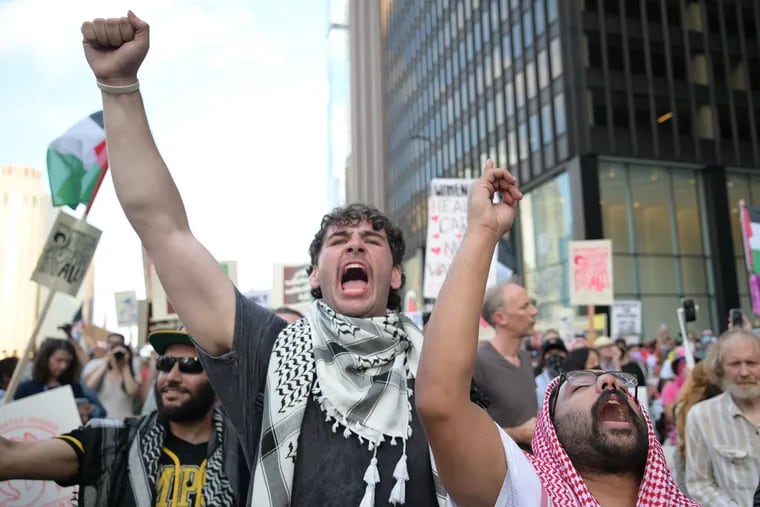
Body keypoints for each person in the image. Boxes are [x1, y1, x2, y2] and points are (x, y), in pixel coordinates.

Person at [79, 13, 445, 506]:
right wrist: (118, 84)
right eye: (339, 240)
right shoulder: (270, 351)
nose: (356, 245)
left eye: (372, 240)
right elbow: (164, 231)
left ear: (396, 274)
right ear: (315, 274)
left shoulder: (440, 362)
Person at [415, 161, 695, 506]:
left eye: (620, 380)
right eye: (580, 382)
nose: (611, 383)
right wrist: (482, 231)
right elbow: (441, 400)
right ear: (552, 432)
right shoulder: (528, 492)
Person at [0, 328, 248, 506]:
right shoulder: (112, 443)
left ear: (219, 380)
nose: (171, 376)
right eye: (165, 362)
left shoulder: (249, 453)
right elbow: (11, 458)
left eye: (189, 364)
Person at [685, 329, 760, 505]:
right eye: (735, 364)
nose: (744, 372)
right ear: (719, 369)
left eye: (752, 363)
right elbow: (699, 484)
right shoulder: (701, 417)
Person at [474, 280, 539, 450]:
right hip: (499, 471)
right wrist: (518, 433)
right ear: (500, 318)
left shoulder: (525, 358)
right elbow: (465, 431)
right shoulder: (478, 362)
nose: (534, 311)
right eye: (524, 307)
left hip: (531, 468)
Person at [672, 361, 721, 492]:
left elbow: (676, 405)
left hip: (688, 474)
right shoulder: (721, 408)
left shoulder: (683, 407)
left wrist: (689, 379)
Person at [14, 338, 87, 401]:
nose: (63, 366)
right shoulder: (26, 388)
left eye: (67, 362)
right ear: (46, 359)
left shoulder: (74, 388)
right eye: (59, 360)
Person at [84, 339, 140, 418]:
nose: (118, 356)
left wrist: (125, 364)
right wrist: (107, 361)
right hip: (102, 422)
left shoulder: (132, 376)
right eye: (115, 353)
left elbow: (131, 391)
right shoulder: (103, 374)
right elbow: (90, 385)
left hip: (124, 423)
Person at [534, 335, 567, 407]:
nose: (555, 355)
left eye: (559, 351)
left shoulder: (574, 377)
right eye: (550, 353)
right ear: (544, 358)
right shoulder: (537, 382)